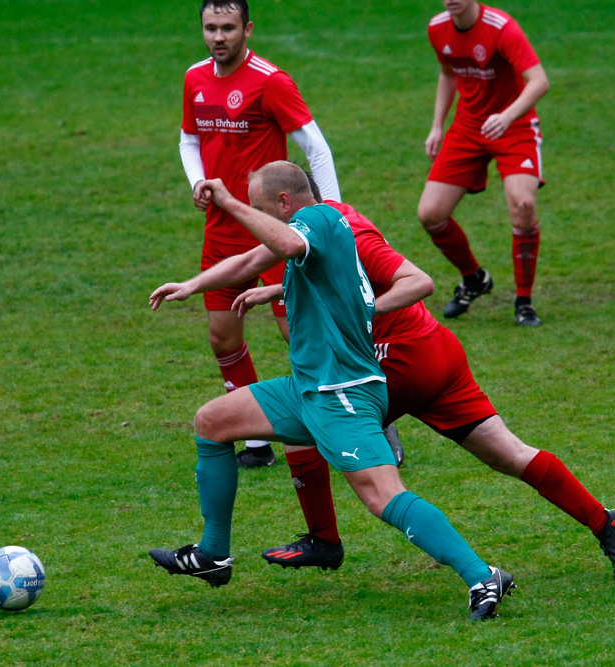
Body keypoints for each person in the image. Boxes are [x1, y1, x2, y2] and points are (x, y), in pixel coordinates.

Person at [148, 161, 515, 620]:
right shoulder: (318, 227)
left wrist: (227, 201)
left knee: (383, 495)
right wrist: (192, 285)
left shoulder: (316, 220)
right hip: (308, 387)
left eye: (261, 208)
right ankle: (213, 555)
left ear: (285, 202)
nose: (257, 216)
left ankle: (483, 576)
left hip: (344, 391)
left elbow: (283, 242)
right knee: (213, 421)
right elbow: (251, 259)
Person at [236, 178, 615, 581]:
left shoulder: (347, 230)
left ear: (288, 204)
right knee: (508, 453)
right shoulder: (326, 226)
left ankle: (326, 541)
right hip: (436, 356)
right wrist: (279, 291)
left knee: (306, 411)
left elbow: (416, 282)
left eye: (261, 211)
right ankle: (606, 523)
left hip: (400, 360)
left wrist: (362, 311)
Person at [179, 0, 342, 467]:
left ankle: (368, 415)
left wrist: (332, 211)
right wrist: (197, 180)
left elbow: (315, 145)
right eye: (211, 28)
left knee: (300, 334)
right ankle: (255, 441)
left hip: (274, 228)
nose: (218, 37)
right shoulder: (194, 78)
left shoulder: (270, 81)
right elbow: (188, 138)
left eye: (228, 27)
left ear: (247, 29)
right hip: (222, 228)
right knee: (222, 336)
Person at [417, 0, 549, 327]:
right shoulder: (437, 28)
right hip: (467, 128)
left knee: (523, 204)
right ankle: (474, 279)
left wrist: (506, 116)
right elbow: (448, 75)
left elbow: (539, 81)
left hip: (513, 126)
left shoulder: (501, 28)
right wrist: (437, 125)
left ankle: (524, 302)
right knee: (430, 214)